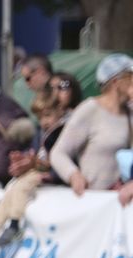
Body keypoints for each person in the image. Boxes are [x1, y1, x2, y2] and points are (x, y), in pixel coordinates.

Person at [0, 90, 74, 247]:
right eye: (40, 118)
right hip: (38, 172)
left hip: (53, 176)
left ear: (59, 111)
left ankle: (14, 224)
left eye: (47, 115)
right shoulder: (42, 133)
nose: (43, 122)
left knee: (21, 186)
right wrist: (22, 160)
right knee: (11, 190)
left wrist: (49, 173)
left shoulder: (64, 132)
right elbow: (35, 156)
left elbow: (60, 161)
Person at [50, 54, 133, 196]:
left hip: (122, 208)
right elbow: (58, 153)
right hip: (94, 203)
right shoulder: (89, 110)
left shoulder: (130, 112)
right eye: (130, 77)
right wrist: (74, 176)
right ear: (116, 82)